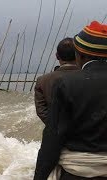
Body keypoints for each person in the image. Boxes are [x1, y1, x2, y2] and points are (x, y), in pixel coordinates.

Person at [34, 21, 107, 179]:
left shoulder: (66, 84)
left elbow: (53, 139)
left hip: (76, 173)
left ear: (79, 55)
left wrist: (39, 176)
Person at [34, 38, 79, 124]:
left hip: (56, 134)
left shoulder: (42, 81)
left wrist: (55, 128)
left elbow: (41, 112)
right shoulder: (90, 77)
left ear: (57, 56)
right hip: (86, 134)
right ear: (78, 55)